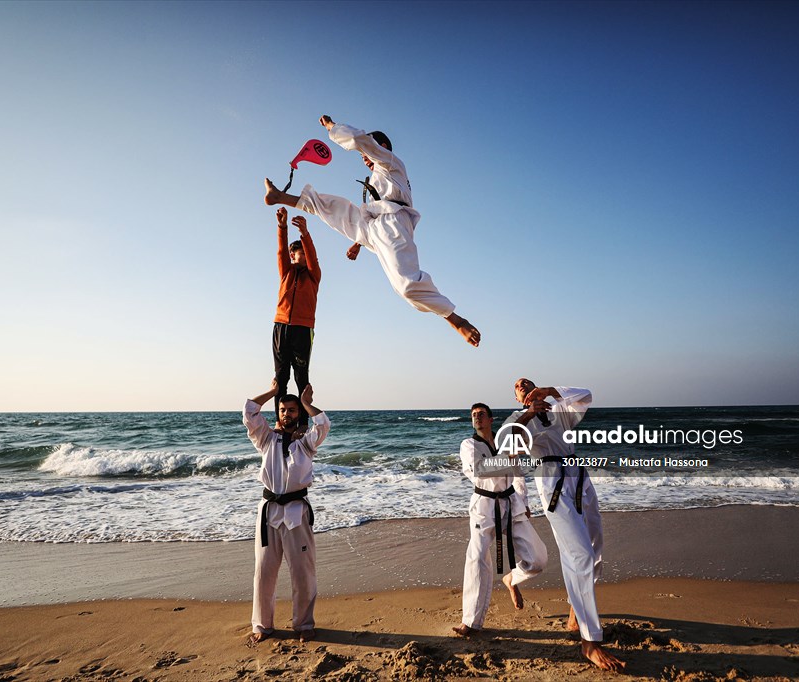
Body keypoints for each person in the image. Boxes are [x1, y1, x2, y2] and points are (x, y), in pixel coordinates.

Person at [263, 115, 480, 347]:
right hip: (372, 225)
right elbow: (369, 211)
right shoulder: (376, 177)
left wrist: (332, 128)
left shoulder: (391, 163)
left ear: (382, 147)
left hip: (393, 223)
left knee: (406, 286)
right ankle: (280, 197)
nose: (364, 158)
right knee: (335, 208)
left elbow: (360, 140)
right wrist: (359, 241)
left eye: (366, 154)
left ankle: (455, 319)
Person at [505, 378, 625, 673]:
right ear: (517, 397)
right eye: (519, 386)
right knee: (580, 554)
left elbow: (586, 394)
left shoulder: (558, 410)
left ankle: (575, 612)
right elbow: (508, 445)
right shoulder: (518, 419)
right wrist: (530, 412)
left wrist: (551, 392)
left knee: (595, 549)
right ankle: (589, 640)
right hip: (551, 480)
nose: (524, 385)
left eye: (529, 382)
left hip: (579, 477)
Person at [243, 380, 330, 645]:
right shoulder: (266, 438)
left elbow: (323, 425)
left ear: (298, 413)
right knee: (264, 571)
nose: (286, 414)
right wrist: (272, 391)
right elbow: (249, 412)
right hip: (268, 514)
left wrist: (306, 403)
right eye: (282, 410)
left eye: (292, 410)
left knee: (303, 572)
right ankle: (262, 625)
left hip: (296, 512)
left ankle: (303, 624)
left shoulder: (306, 444)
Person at [453, 402, 547, 637]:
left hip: (511, 502)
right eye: (473, 415)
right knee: (477, 560)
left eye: (481, 414)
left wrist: (524, 503)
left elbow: (518, 474)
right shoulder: (469, 445)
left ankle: (511, 579)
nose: (477, 417)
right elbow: (478, 469)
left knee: (538, 558)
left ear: (491, 419)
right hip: (484, 506)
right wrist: (508, 455)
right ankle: (471, 621)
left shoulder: (506, 443)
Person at [272, 207, 320, 428]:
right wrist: (282, 226)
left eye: (303, 253)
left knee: (302, 377)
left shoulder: (313, 275)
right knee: (281, 379)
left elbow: (312, 256)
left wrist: (305, 234)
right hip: (281, 327)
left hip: (303, 329)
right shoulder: (286, 272)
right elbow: (282, 252)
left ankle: (303, 424)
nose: (301, 256)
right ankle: (280, 422)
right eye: (297, 253)